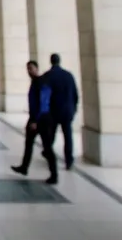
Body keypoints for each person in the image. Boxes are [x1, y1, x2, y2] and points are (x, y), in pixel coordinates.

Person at [41, 53, 79, 181]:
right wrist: (73, 109)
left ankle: (48, 153)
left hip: (53, 111)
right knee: (68, 135)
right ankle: (69, 160)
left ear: (51, 62)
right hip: (67, 111)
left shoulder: (48, 76)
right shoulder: (68, 75)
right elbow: (75, 94)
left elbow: (44, 96)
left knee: (50, 135)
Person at [11, 60, 51, 177]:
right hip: (34, 118)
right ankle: (24, 167)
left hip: (39, 120)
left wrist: (34, 121)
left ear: (37, 68)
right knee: (29, 143)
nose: (29, 71)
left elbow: (41, 103)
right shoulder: (35, 82)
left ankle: (53, 173)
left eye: (31, 68)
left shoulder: (39, 82)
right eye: (28, 68)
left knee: (46, 147)